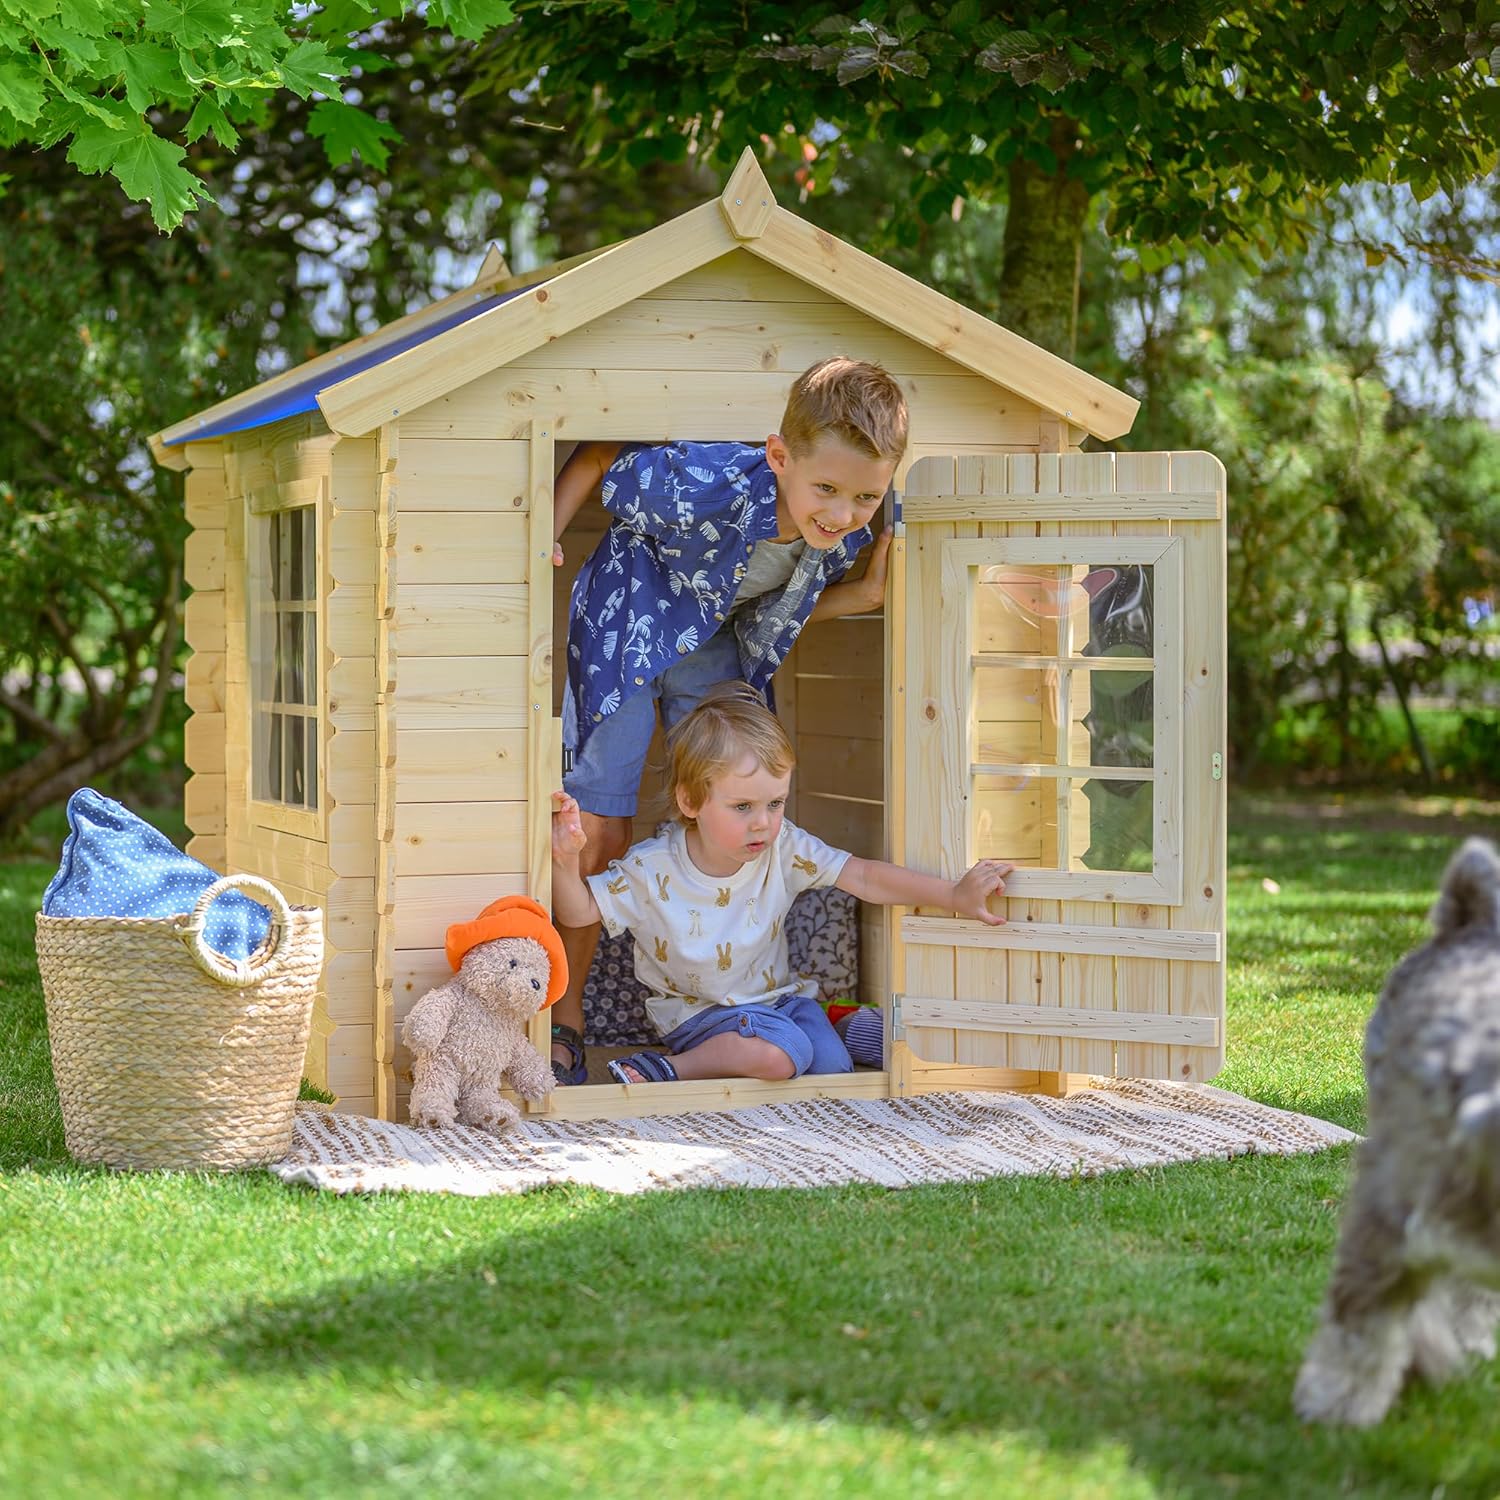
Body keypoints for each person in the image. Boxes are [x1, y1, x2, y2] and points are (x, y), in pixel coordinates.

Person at [544, 357, 908, 1085]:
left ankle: (739, 1002)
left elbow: (775, 615)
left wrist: (863, 597)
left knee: (740, 784)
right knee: (602, 823)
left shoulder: (851, 525)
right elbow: (600, 453)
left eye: (866, 495)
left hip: (712, 637)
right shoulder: (711, 480)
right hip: (632, 611)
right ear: (779, 457)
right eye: (827, 490)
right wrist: (541, 534)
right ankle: (566, 1017)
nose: (841, 512)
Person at [550, 682, 1014, 1085]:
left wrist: (953, 895)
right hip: (700, 1017)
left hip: (780, 1004)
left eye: (775, 804)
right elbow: (577, 913)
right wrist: (565, 860)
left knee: (830, 1067)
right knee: (781, 1055)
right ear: (691, 801)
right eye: (743, 807)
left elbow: (865, 876)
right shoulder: (653, 868)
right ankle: (670, 1069)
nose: (763, 824)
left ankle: (846, 1026)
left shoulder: (782, 847)